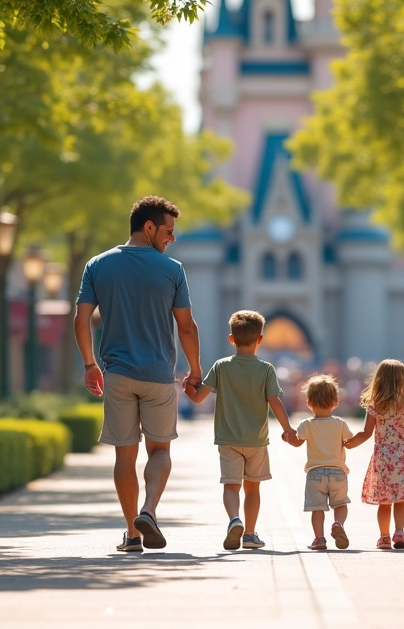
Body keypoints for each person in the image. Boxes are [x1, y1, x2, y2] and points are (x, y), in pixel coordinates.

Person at [74, 195, 202, 553]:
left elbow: (81, 320)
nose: (172, 239)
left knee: (124, 456)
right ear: (148, 227)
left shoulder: (97, 265)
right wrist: (195, 370)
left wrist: (89, 364)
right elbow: (187, 327)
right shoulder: (172, 270)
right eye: (168, 231)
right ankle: (149, 510)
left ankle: (132, 534)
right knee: (159, 450)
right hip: (159, 375)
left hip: (117, 374)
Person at [184, 310, 294, 551]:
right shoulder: (266, 370)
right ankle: (251, 534)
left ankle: (235, 520)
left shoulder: (221, 367)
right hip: (256, 440)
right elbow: (275, 402)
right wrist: (288, 430)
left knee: (231, 486)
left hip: (228, 439)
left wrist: (187, 388)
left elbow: (198, 398)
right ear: (260, 340)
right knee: (252, 488)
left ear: (231, 339)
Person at [344, 359, 404, 550]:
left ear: (379, 380)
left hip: (383, 458)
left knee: (385, 501)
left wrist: (349, 444)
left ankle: (384, 537)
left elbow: (366, 433)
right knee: (401, 498)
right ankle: (399, 532)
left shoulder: (376, 404)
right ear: (403, 380)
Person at [283, 375, 355, 551]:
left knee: (317, 509)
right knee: (340, 504)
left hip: (315, 474)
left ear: (308, 403)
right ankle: (338, 524)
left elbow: (297, 442)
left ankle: (319, 538)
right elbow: (350, 441)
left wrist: (287, 438)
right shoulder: (340, 424)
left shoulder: (306, 424)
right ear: (335, 402)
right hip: (338, 472)